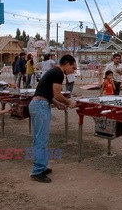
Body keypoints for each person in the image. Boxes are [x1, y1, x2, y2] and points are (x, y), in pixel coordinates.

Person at [29, 54, 78, 183]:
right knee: (41, 140)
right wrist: (69, 102)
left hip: (37, 104)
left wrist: (57, 103)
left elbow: (48, 93)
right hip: (40, 106)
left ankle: (41, 166)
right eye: (72, 67)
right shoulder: (58, 73)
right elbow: (57, 94)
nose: (73, 71)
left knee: (39, 139)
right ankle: (37, 171)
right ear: (66, 63)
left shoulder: (53, 72)